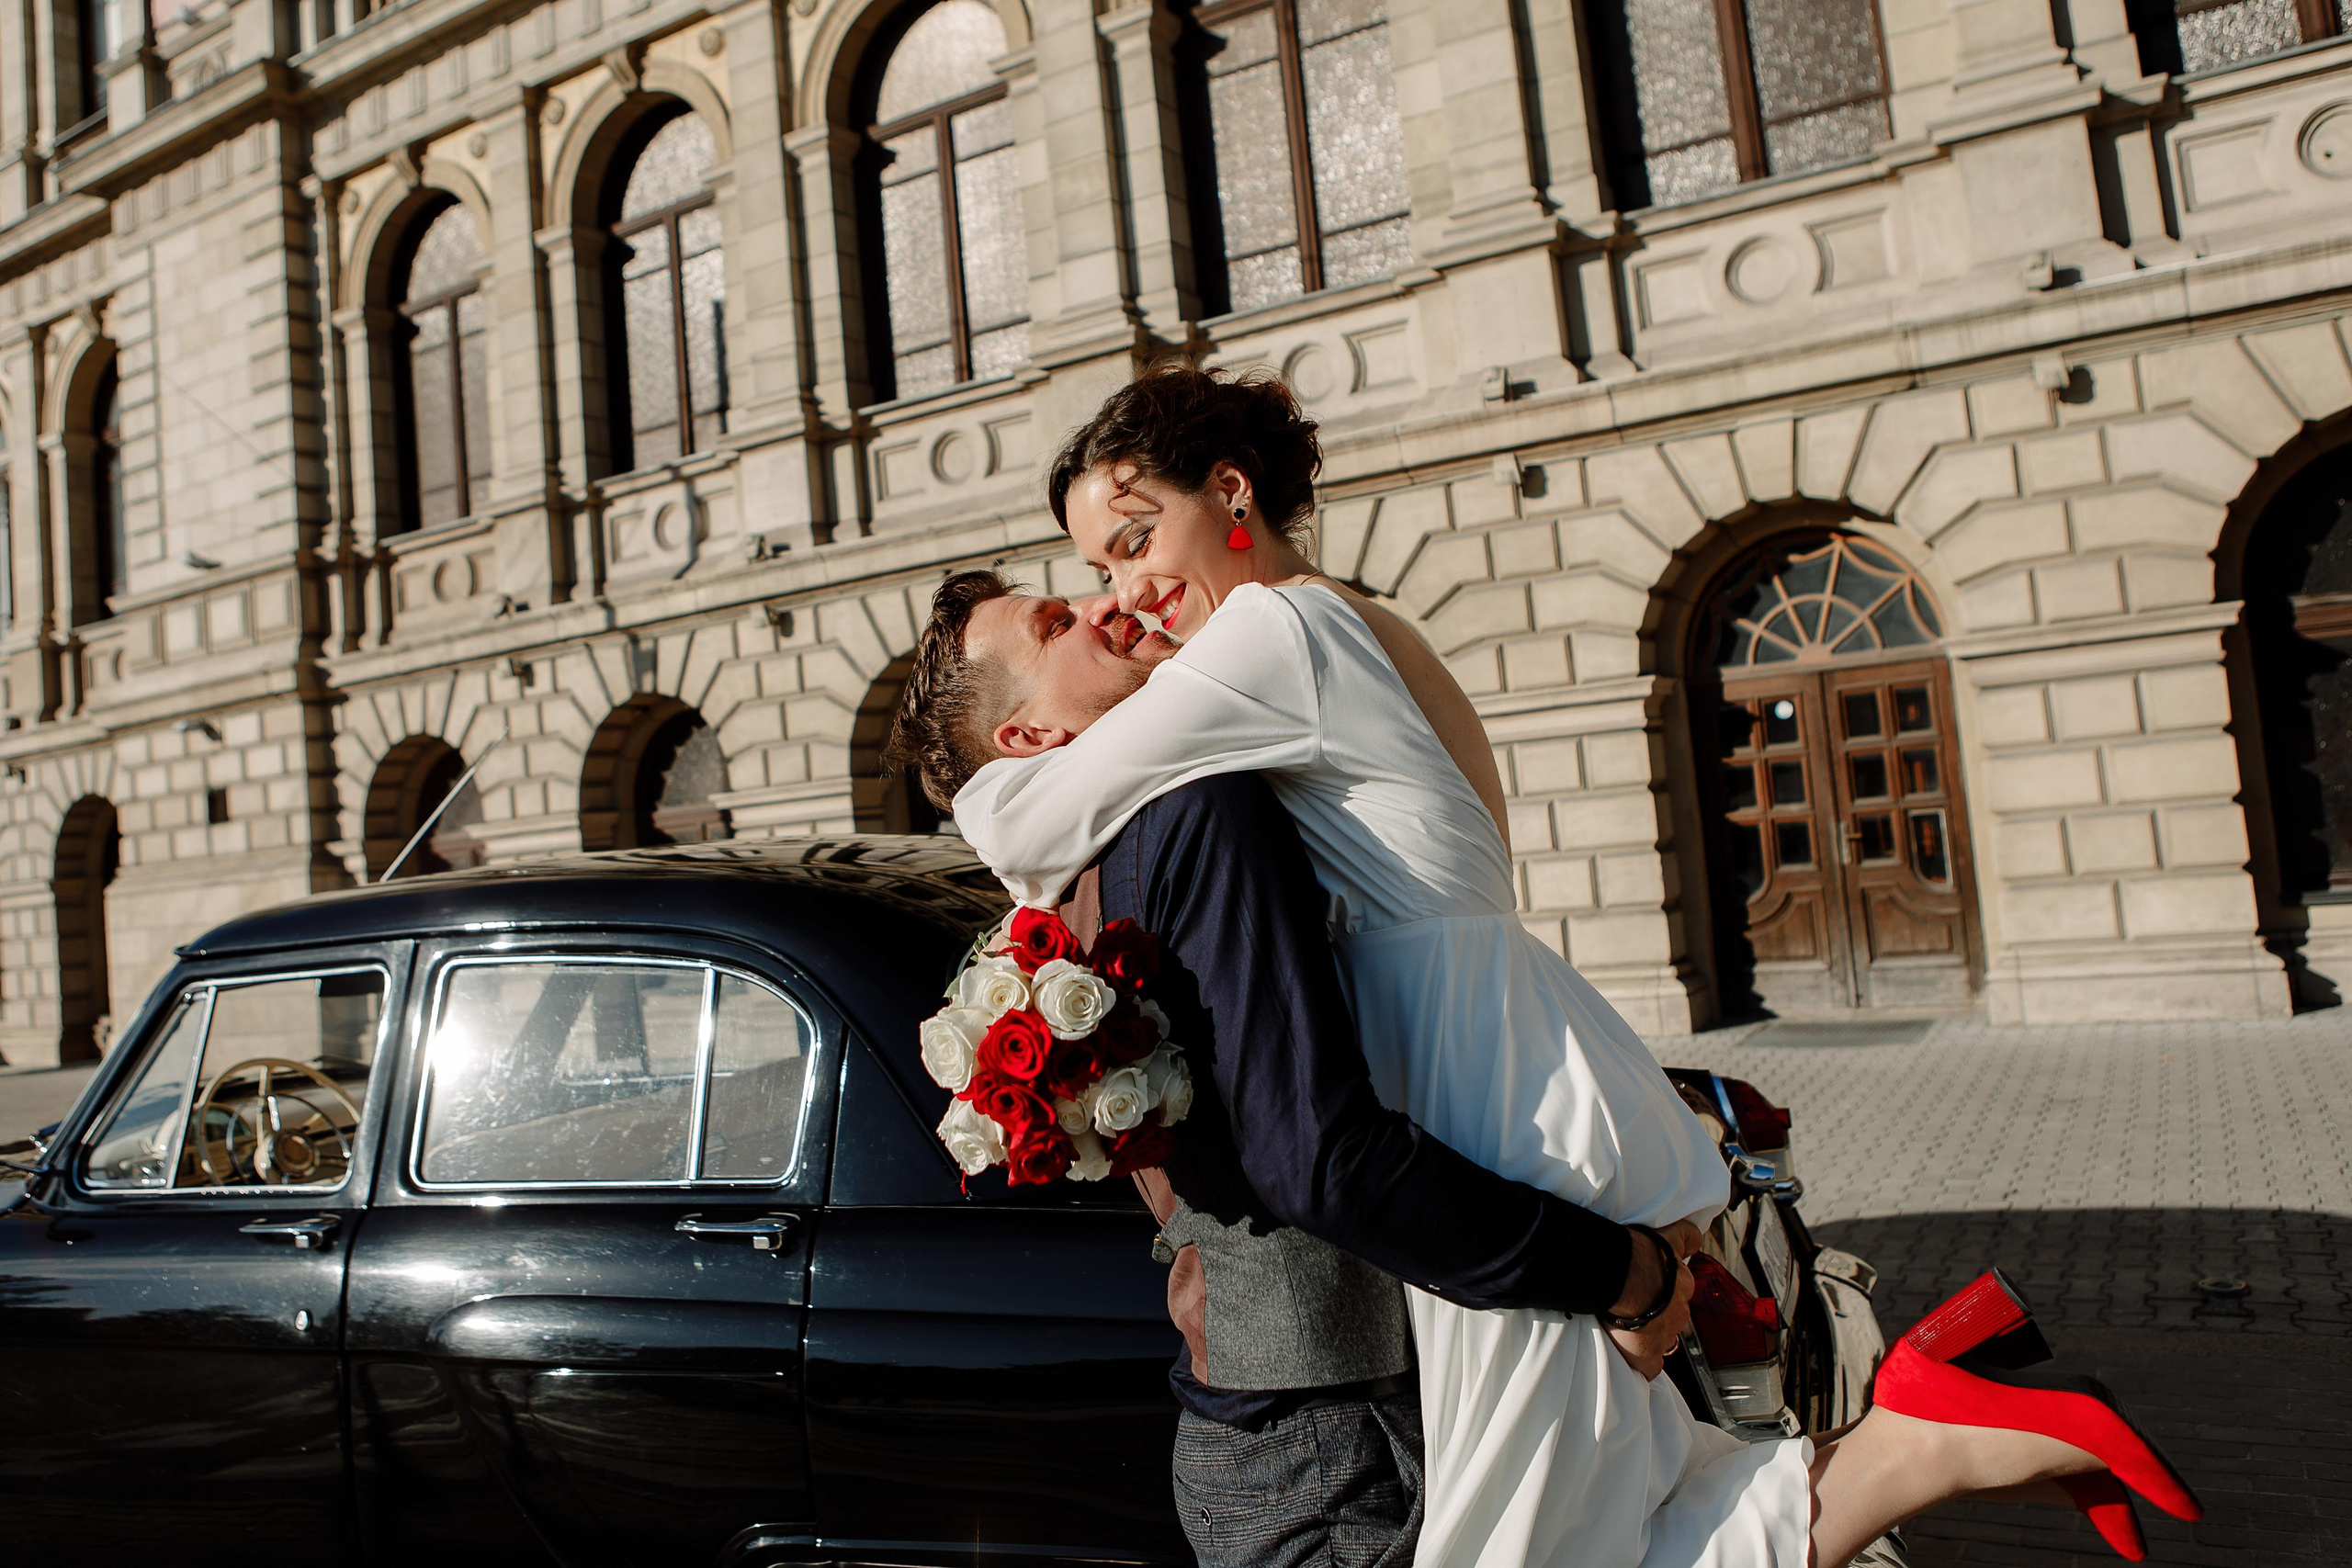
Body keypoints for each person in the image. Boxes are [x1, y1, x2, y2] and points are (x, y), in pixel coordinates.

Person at [909, 365, 2201, 1568]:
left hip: (1480, 1092)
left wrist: (998, 802)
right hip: (1495, 1057)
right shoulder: (1334, 628)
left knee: (1530, 1539)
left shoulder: (1273, 636)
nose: (1124, 591)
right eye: (1095, 569)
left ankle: (1936, 1434)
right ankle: (1939, 1424)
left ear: (1230, 494)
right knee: (1595, 1514)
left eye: (1133, 543)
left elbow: (1018, 820)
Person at [886, 572, 1705, 1568]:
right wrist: (1619, 1271)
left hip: (1261, 1422)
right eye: (1054, 625)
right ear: (1028, 736)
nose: (1101, 601)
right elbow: (1316, 1160)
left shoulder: (1071, 871)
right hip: (1331, 1445)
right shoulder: (1190, 813)